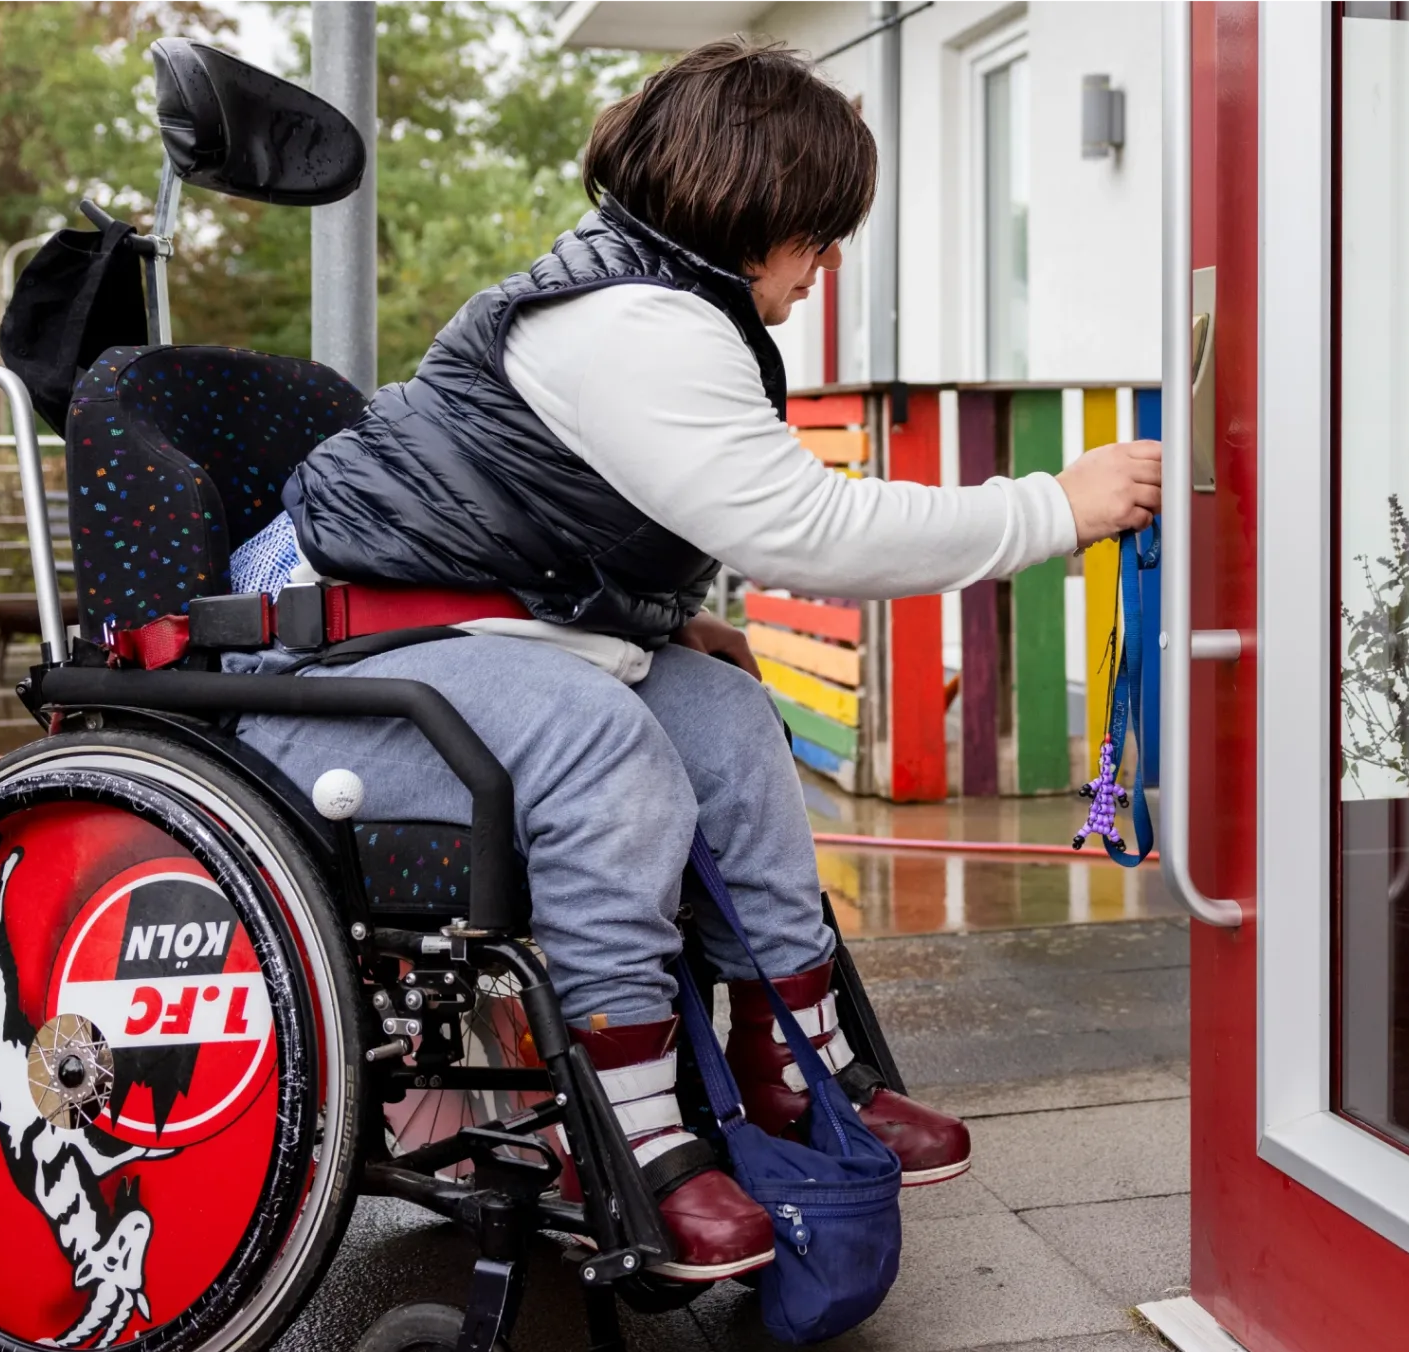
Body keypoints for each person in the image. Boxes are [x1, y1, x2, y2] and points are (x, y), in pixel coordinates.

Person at [228, 38, 1163, 1282]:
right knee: (598, 739)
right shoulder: (629, 324)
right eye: (818, 239)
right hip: (330, 661)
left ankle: (798, 1067)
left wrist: (657, 628)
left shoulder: (657, 307)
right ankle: (635, 1128)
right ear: (753, 212)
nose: (826, 270)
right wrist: (1056, 505)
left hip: (454, 630)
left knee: (720, 712)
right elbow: (802, 528)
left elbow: (538, 525)